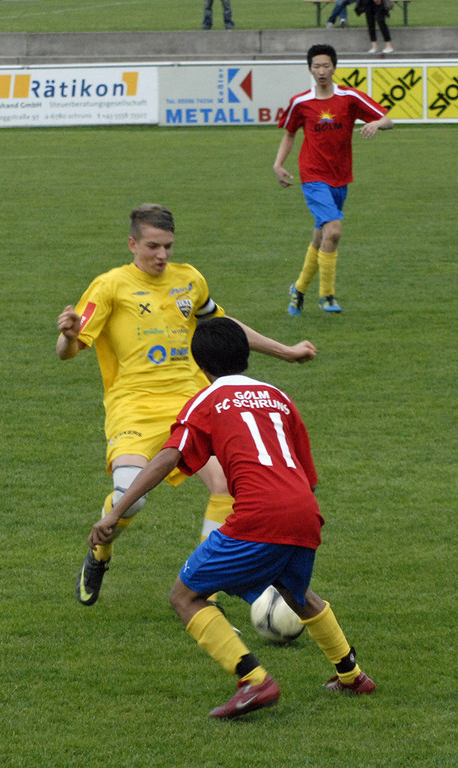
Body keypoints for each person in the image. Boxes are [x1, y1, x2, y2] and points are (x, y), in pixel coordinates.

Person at [89, 317, 376, 719]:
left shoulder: (206, 401)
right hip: (304, 510)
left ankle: (253, 680)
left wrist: (116, 512)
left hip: (259, 515)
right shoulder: (278, 397)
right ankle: (352, 675)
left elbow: (169, 456)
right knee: (296, 593)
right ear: (245, 355)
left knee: (185, 597)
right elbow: (306, 472)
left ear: (199, 364)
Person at [57, 204, 316, 607]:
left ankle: (204, 587)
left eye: (168, 246)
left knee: (226, 486)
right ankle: (99, 552)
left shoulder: (190, 280)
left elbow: (224, 329)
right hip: (134, 408)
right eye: (152, 246)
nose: (161, 255)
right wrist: (70, 336)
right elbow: (67, 351)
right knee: (131, 497)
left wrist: (286, 351)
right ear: (132, 244)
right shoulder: (109, 286)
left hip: (194, 405)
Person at [273, 44, 394, 316]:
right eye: (316, 66)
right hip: (313, 175)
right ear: (310, 69)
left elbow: (388, 120)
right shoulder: (301, 102)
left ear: (334, 68)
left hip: (340, 177)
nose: (321, 71)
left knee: (321, 237)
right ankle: (326, 295)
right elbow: (290, 133)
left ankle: (298, 290)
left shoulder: (349, 98)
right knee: (335, 231)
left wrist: (376, 123)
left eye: (326, 65)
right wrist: (278, 164)